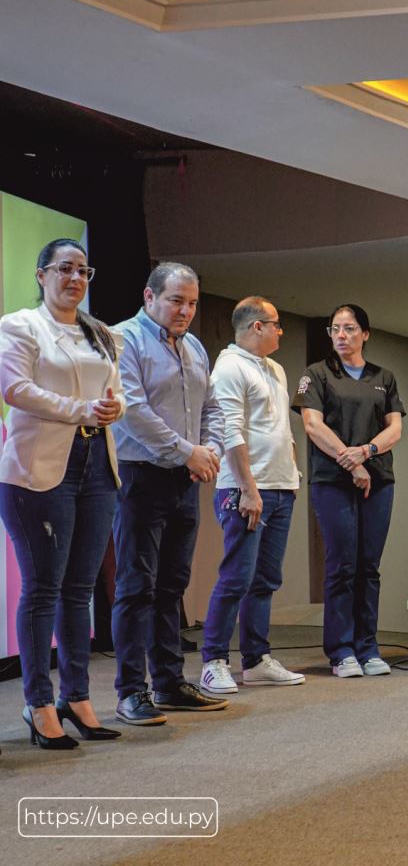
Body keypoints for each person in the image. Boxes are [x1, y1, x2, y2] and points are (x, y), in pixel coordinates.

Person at [0, 238, 123, 749]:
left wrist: (114, 409)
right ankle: (38, 703)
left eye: (83, 271)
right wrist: (82, 411)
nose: (75, 278)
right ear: (41, 274)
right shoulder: (20, 326)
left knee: (80, 590)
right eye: (65, 269)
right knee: (43, 589)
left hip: (97, 465)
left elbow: (113, 392)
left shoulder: (99, 333)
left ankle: (77, 697)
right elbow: (14, 389)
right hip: (38, 471)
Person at [111, 262, 228, 725]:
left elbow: (212, 406)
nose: (185, 311)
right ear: (149, 297)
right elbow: (131, 410)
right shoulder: (124, 339)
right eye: (177, 300)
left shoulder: (194, 346)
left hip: (185, 479)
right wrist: (187, 451)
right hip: (141, 477)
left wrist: (210, 449)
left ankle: (169, 683)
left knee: (171, 587)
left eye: (193, 303)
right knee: (136, 587)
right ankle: (130, 691)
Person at [198, 297, 305, 693]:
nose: (281, 331)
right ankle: (214, 660)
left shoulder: (275, 368)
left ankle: (257, 659)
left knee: (265, 580)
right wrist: (247, 488)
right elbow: (231, 431)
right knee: (236, 578)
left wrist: (290, 471)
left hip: (281, 486)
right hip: (245, 489)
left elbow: (279, 428)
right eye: (276, 324)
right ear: (256, 326)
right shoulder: (228, 367)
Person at [292, 304, 405, 678]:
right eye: (335, 329)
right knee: (342, 565)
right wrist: (352, 462)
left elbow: (395, 429)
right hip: (333, 482)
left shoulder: (383, 377)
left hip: (379, 481)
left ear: (365, 334)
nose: (341, 335)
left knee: (368, 567)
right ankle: (341, 651)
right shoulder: (318, 375)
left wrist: (368, 452)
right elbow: (312, 425)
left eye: (350, 329)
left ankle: (367, 648)